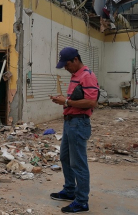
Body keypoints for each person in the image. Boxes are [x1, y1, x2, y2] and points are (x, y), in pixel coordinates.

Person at [50, 47, 99, 213]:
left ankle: (82, 201)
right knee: (65, 157)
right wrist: (63, 100)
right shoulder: (75, 76)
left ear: (76, 60)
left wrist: (66, 102)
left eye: (67, 64)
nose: (65, 67)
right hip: (70, 122)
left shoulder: (87, 76)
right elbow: (74, 100)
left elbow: (91, 102)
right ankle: (70, 190)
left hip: (79, 123)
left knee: (78, 163)